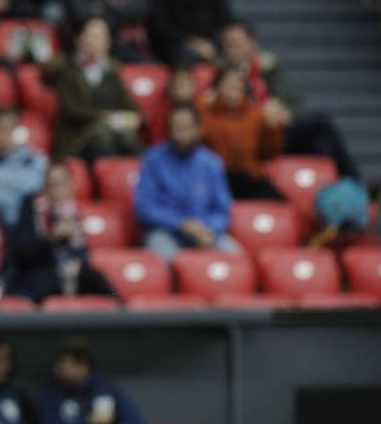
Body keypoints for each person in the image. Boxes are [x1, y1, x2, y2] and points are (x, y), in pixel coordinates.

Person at [220, 21, 357, 177]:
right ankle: (353, 180)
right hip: (258, 134)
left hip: (283, 127)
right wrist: (261, 114)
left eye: (236, 44)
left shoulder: (269, 68)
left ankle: (337, 190)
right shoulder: (223, 75)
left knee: (318, 146)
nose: (230, 49)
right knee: (322, 122)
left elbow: (294, 101)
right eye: (227, 44)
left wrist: (287, 113)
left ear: (252, 44)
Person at [134, 104, 239, 262]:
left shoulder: (211, 163)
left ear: (198, 129)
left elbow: (223, 210)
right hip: (165, 232)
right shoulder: (153, 159)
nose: (180, 134)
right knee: (171, 261)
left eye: (186, 128)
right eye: (176, 128)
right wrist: (180, 223)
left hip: (204, 232)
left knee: (235, 257)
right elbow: (144, 207)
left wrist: (208, 229)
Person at [8, 162, 116, 302]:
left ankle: (125, 319)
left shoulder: (73, 212)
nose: (57, 189)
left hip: (72, 270)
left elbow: (83, 254)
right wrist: (51, 239)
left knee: (97, 280)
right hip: (41, 270)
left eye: (62, 183)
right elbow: (22, 252)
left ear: (72, 185)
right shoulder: (33, 209)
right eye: (52, 184)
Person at [44, 18, 141, 161]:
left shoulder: (111, 70)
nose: (103, 41)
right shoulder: (65, 68)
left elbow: (130, 107)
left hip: (109, 133)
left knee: (130, 144)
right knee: (103, 144)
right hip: (77, 138)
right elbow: (71, 110)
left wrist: (128, 118)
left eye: (105, 37)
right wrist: (104, 117)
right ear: (79, 39)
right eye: (96, 36)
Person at [196, 67, 287, 200]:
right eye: (228, 82)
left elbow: (270, 152)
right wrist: (202, 103)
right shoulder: (206, 115)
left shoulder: (256, 114)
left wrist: (273, 128)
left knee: (279, 203)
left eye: (238, 82)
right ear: (218, 86)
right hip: (217, 178)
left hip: (250, 177)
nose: (234, 85)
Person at [40, 340, 145, 424]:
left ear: (82, 367)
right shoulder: (53, 393)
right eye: (58, 366)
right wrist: (88, 421)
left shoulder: (107, 389)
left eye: (64, 366)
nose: (58, 371)